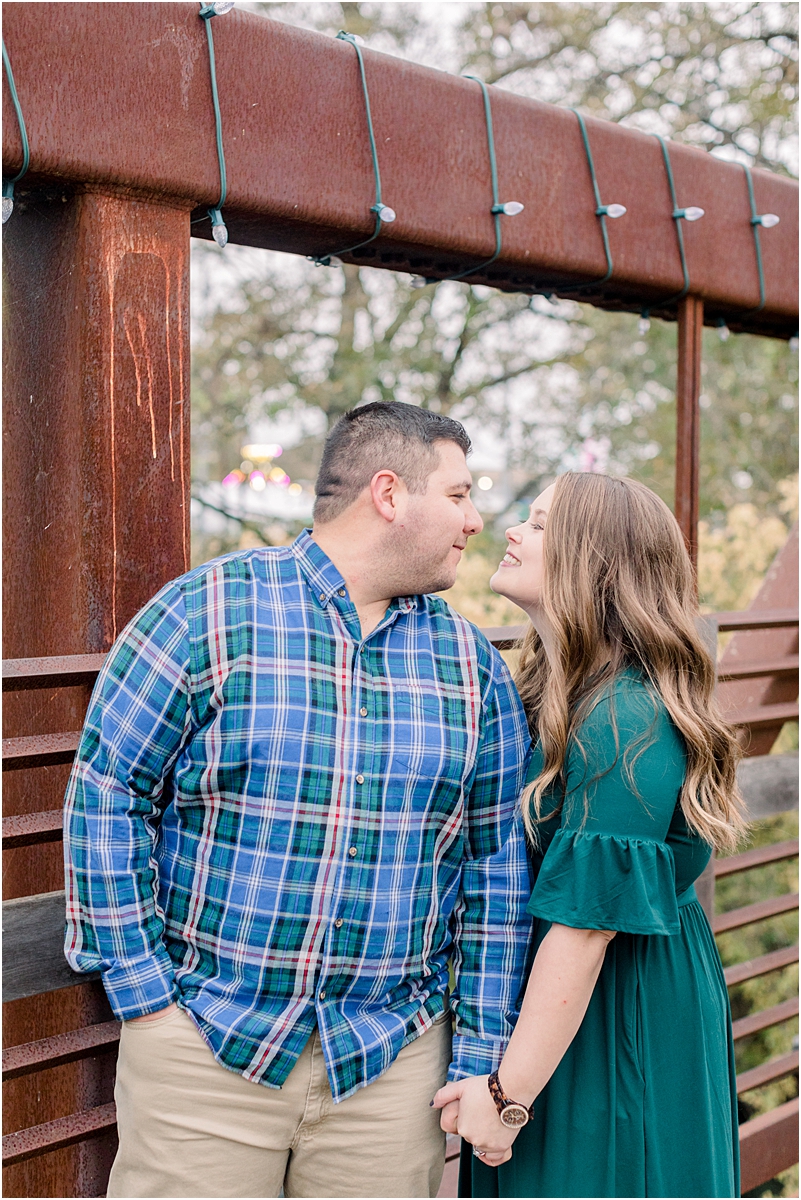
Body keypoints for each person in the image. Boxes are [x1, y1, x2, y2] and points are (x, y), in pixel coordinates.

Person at [63, 401, 533, 1200]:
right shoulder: (205, 613)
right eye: (457, 495)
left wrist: (482, 1052)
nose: (476, 519)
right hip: (205, 1053)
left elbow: (495, 869)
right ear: (389, 494)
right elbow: (108, 792)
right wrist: (145, 998)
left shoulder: (471, 666)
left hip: (391, 1068)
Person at [434, 471, 745, 1199]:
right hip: (564, 1005)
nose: (509, 531)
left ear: (594, 563)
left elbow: (584, 933)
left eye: (539, 524)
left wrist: (507, 1097)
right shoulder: (550, 694)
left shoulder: (623, 718)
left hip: (613, 1008)